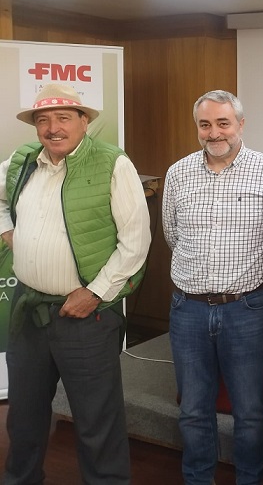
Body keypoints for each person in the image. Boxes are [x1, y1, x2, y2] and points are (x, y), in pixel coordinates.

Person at [0, 83, 151, 484]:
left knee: (96, 421)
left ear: (84, 121)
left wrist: (96, 292)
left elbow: (136, 242)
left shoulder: (112, 164)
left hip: (85, 318)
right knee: (24, 417)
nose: (53, 127)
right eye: (43, 120)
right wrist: (9, 231)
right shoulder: (22, 161)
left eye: (64, 117)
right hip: (28, 310)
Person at [163, 90, 263, 485]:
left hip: (248, 309)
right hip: (188, 309)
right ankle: (198, 479)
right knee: (194, 409)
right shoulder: (177, 173)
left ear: (240, 124)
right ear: (197, 127)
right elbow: (172, 234)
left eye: (223, 123)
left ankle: (251, 478)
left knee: (250, 411)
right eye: (205, 124)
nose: (214, 132)